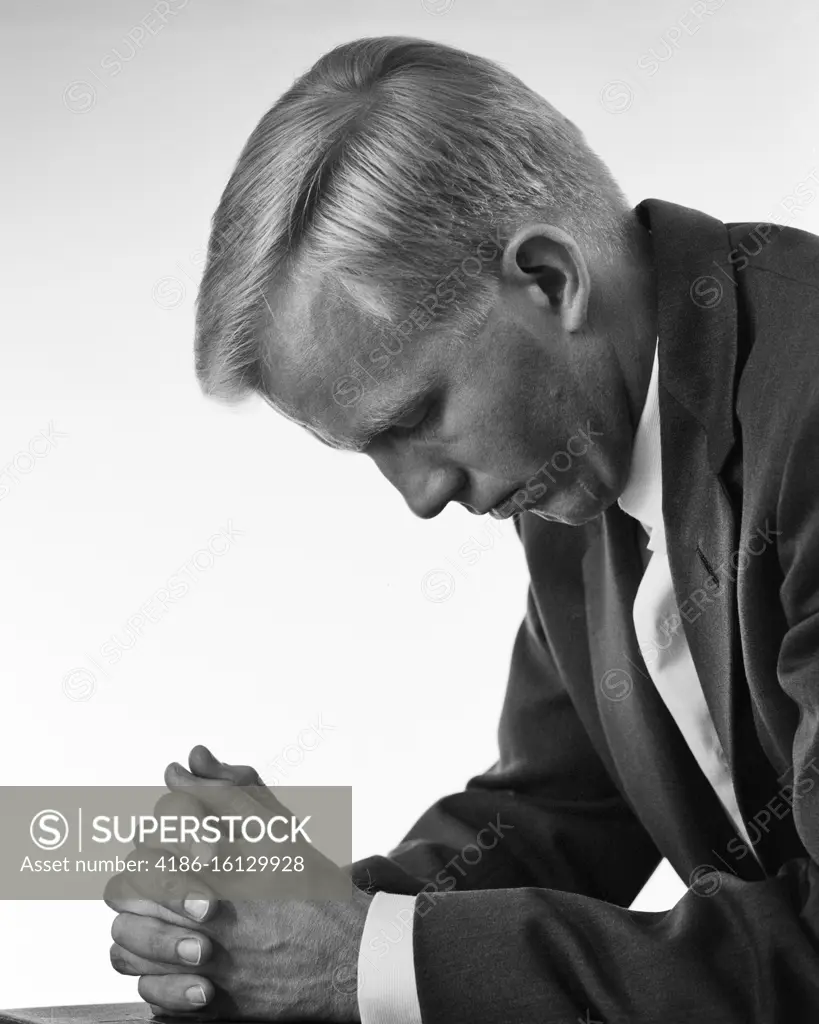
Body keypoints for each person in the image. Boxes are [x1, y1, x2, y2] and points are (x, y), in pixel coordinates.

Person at [105, 35, 819, 1022]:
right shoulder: (579, 456)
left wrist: (358, 957)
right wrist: (282, 929)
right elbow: (556, 812)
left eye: (413, 419)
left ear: (549, 279)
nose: (421, 495)